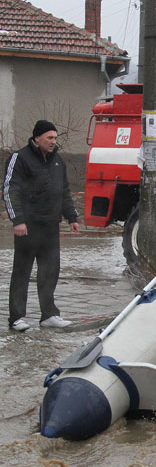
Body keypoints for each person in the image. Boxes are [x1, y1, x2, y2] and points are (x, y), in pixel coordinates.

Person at [3, 120, 80, 331]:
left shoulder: (58, 162)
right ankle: (16, 317)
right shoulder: (20, 158)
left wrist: (72, 217)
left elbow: (63, 191)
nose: (54, 142)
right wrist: (17, 220)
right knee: (22, 272)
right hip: (27, 226)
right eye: (50, 138)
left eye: (55, 138)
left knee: (49, 270)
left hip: (50, 227)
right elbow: (11, 190)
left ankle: (49, 315)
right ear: (37, 138)